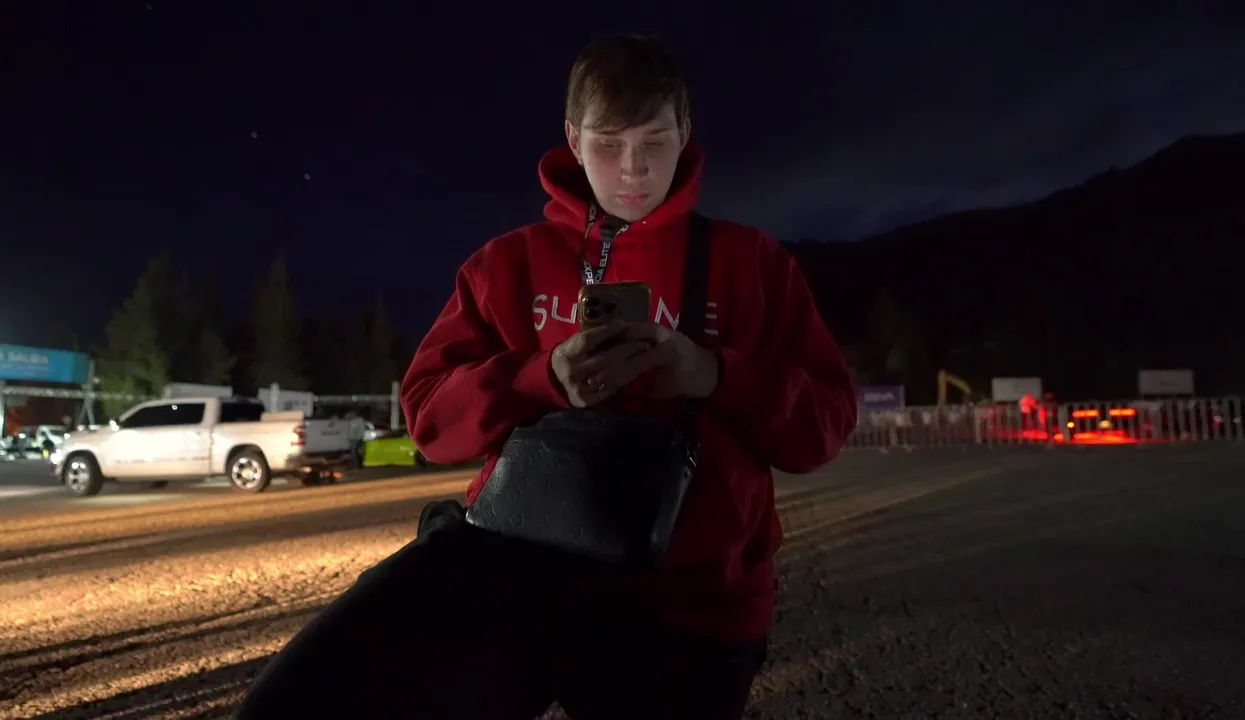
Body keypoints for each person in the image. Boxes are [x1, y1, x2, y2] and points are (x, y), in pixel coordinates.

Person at [238, 35, 856, 719]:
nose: (632, 168)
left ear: (685, 131)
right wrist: (540, 379)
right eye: (607, 144)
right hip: (521, 581)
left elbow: (825, 428)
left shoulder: (752, 265)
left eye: (653, 141)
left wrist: (712, 374)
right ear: (571, 138)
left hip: (693, 612)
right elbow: (430, 422)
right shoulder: (505, 266)